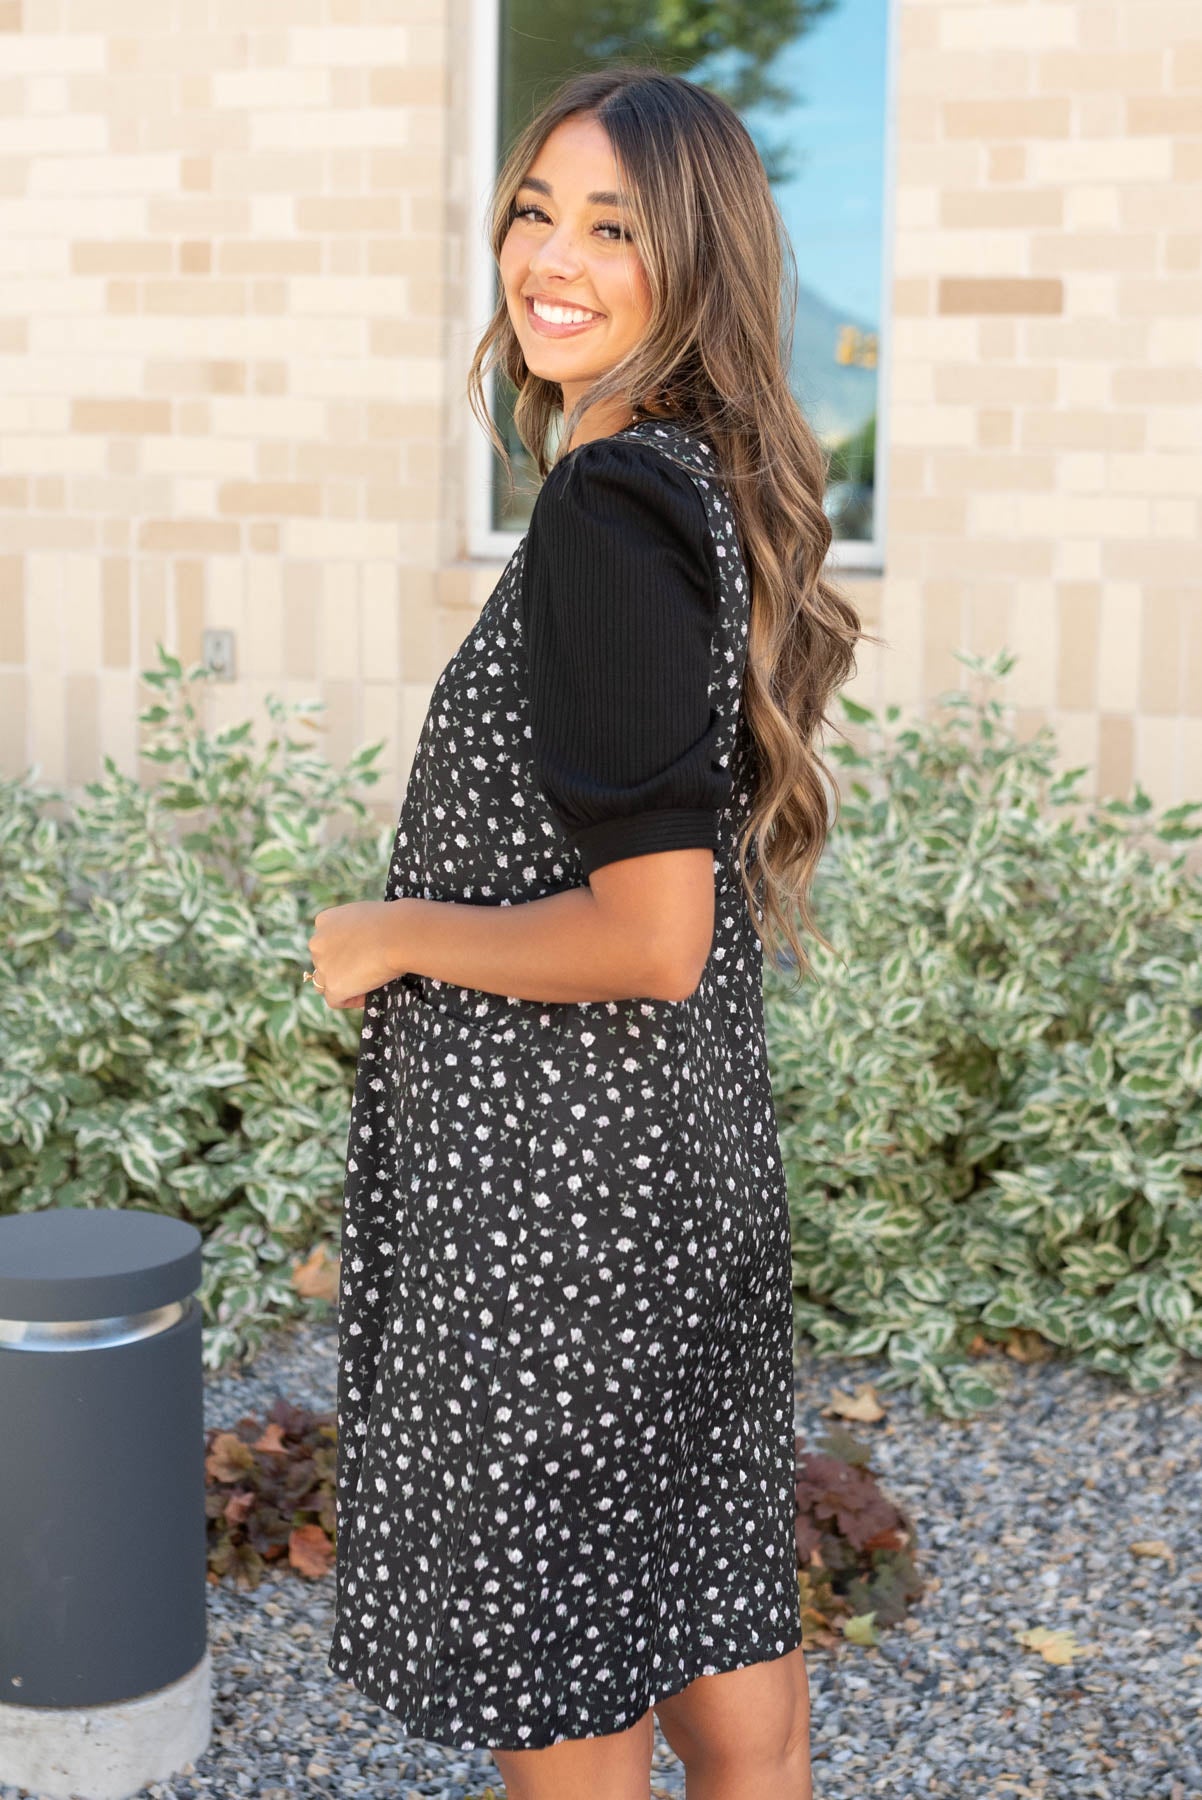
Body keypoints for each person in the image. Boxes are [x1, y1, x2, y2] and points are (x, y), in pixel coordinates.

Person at [309, 64, 866, 1800]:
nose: (548, 256)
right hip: (674, 1174)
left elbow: (650, 936)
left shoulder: (607, 514)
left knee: (569, 1685)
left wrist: (393, 930)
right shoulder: (686, 485)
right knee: (707, 1628)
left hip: (563, 1221)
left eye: (611, 226)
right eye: (533, 209)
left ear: (690, 262)